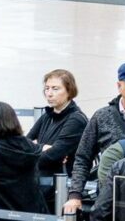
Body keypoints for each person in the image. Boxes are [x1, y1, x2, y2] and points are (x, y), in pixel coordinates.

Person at [74, 64, 125, 192]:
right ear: (119, 86)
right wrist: (75, 194)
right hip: (110, 197)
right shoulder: (102, 116)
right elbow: (83, 158)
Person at [29, 69, 88, 200]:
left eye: (55, 89)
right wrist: (43, 148)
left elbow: (52, 156)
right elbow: (23, 143)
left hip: (59, 190)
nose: (49, 94)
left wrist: (35, 148)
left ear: (69, 91)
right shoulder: (47, 116)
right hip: (39, 184)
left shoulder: (75, 119)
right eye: (47, 88)